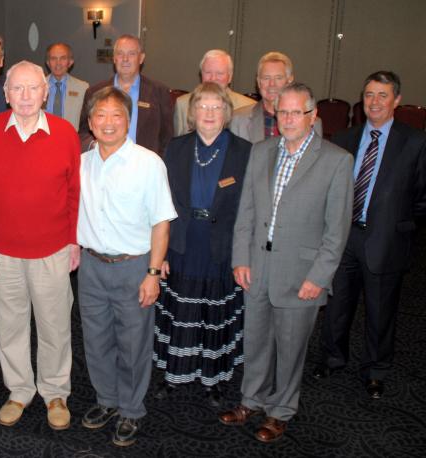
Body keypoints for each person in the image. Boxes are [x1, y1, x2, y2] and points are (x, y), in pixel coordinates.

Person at [219, 83, 353, 443]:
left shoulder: (336, 161)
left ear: (313, 116)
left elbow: (336, 230)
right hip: (257, 268)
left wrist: (319, 277)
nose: (289, 119)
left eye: (297, 112)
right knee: (256, 340)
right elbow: (246, 211)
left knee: (291, 347)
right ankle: (252, 399)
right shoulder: (261, 152)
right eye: (283, 112)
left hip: (302, 273)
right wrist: (240, 259)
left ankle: (281, 411)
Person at [0, 61, 80, 430]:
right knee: (11, 328)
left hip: (53, 250)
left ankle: (55, 391)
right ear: (6, 92)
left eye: (33, 88)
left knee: (55, 326)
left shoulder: (65, 133)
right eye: (17, 88)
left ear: (45, 92)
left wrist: (74, 241)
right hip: (2, 254)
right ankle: (19, 390)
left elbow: (76, 195)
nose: (26, 96)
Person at [314, 71, 426, 399]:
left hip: (387, 240)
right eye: (369, 95)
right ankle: (333, 357)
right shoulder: (346, 139)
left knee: (380, 311)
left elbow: (422, 194)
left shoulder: (415, 142)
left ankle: (376, 369)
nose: (374, 102)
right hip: (344, 237)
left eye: (382, 95)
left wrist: (399, 220)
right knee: (337, 305)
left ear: (396, 100)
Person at [77, 86, 175, 447]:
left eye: (116, 115)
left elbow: (161, 222)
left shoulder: (149, 163)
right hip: (90, 266)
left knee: (132, 343)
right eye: (100, 115)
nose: (108, 122)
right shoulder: (82, 163)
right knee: (96, 340)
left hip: (134, 267)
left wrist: (153, 272)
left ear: (128, 120)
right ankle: (107, 401)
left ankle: (131, 410)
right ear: (89, 121)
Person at [154, 82, 252, 407]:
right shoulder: (176, 147)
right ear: (192, 112)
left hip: (220, 247)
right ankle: (174, 375)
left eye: (216, 107)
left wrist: (241, 256)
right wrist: (162, 251)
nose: (209, 113)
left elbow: (248, 210)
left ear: (227, 113)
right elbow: (162, 202)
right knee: (181, 312)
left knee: (214, 315)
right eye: (202, 106)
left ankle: (213, 380)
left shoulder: (244, 151)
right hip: (182, 243)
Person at [79, 34, 172, 155]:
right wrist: (94, 145)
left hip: (143, 166)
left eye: (132, 54)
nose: (125, 59)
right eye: (120, 53)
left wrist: (157, 163)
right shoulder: (94, 92)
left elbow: (167, 137)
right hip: (105, 162)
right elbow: (83, 133)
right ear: (114, 58)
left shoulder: (159, 92)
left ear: (141, 58)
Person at [231, 52, 322, 143]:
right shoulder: (238, 119)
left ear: (289, 80)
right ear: (258, 82)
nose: (272, 84)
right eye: (266, 78)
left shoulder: (311, 121)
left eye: (278, 78)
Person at [171, 49, 256, 136]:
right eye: (208, 72)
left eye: (219, 73)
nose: (213, 78)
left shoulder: (249, 107)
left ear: (230, 77)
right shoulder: (183, 104)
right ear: (201, 75)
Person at [44, 42, 89, 130]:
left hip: (71, 139)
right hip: (43, 140)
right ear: (48, 62)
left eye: (63, 58)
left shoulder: (83, 88)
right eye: (53, 58)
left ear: (70, 62)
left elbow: (87, 121)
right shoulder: (36, 87)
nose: (58, 63)